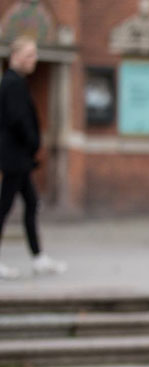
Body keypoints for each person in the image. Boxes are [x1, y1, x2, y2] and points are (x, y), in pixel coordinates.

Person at [0, 36, 66, 279]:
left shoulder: (15, 82)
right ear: (15, 56)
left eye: (34, 54)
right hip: (15, 157)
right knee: (6, 206)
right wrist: (31, 140)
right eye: (29, 54)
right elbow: (18, 119)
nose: (34, 60)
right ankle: (38, 257)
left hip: (19, 157)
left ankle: (38, 257)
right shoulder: (13, 83)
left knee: (31, 203)